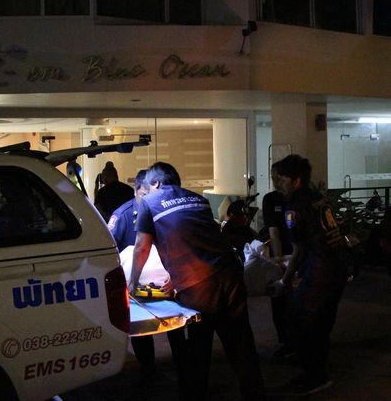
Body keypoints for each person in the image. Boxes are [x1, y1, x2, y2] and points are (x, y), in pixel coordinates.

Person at [129, 162, 265, 400]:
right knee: (240, 342)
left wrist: (132, 283)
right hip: (230, 273)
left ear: (156, 183)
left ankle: (194, 395)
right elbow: (196, 236)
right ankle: (256, 395)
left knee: (199, 347)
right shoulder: (198, 199)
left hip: (199, 285)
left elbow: (142, 246)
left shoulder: (150, 202)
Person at [270, 154, 347, 396]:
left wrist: (285, 279)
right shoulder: (317, 198)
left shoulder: (295, 205)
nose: (279, 184)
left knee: (298, 321)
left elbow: (301, 248)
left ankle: (315, 376)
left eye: (282, 179)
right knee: (321, 322)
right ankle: (315, 371)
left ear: (296, 180)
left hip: (320, 271)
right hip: (337, 266)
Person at [108, 169, 176, 380]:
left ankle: (182, 366)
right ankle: (148, 369)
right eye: (150, 195)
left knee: (176, 325)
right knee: (140, 329)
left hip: (165, 283)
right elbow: (112, 252)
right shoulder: (123, 216)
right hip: (134, 286)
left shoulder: (161, 210)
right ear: (139, 191)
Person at [262, 162, 293, 358]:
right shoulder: (270, 199)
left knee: (289, 298)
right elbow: (273, 231)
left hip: (297, 255)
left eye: (280, 177)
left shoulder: (296, 200)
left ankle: (294, 342)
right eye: (273, 176)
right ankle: (286, 340)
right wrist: (279, 259)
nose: (276, 181)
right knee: (280, 300)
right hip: (284, 256)